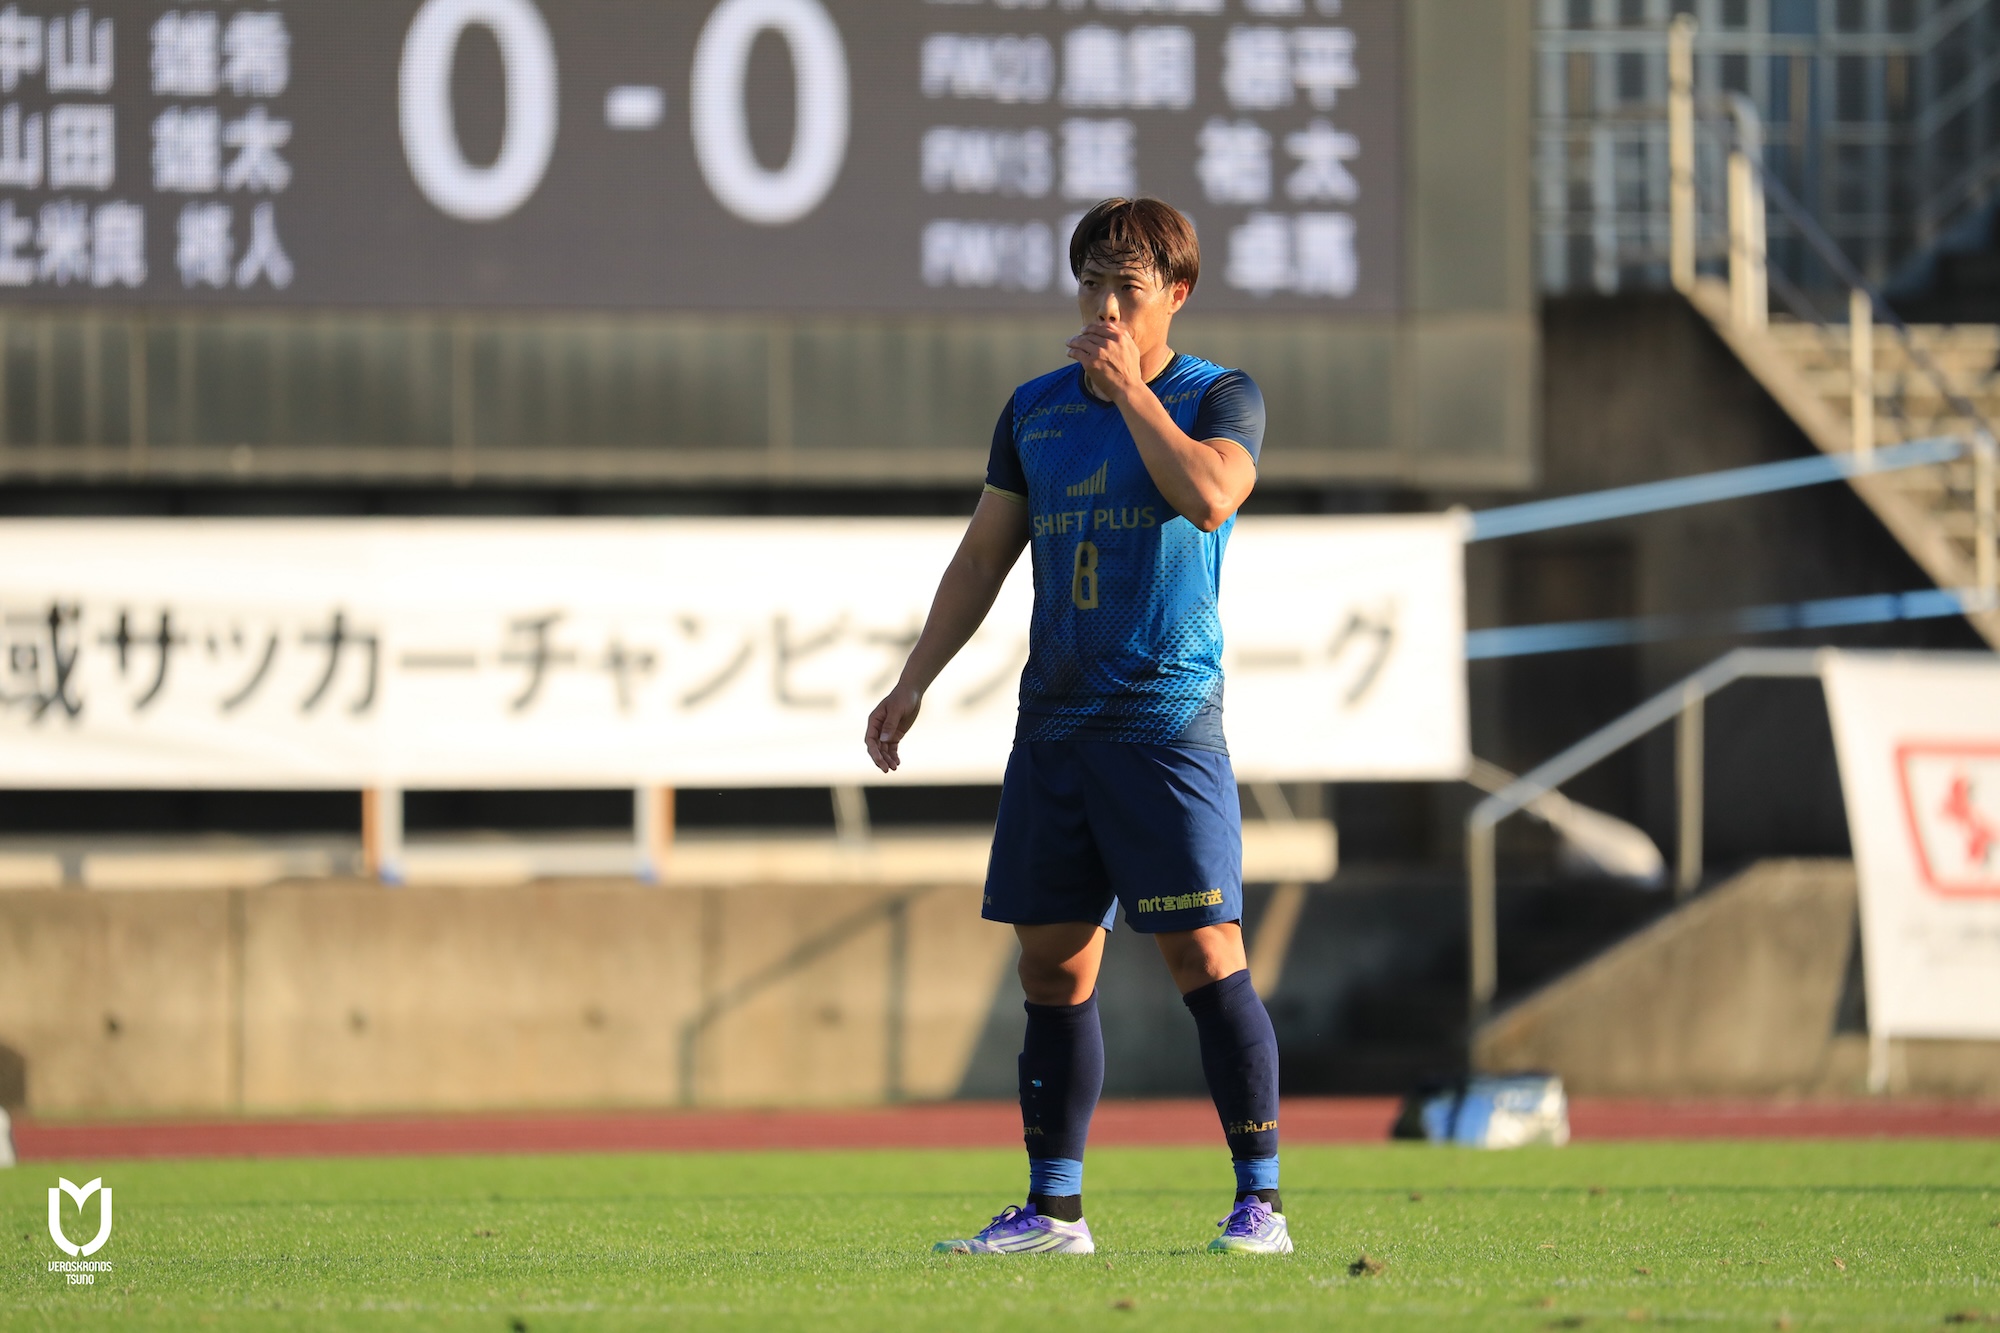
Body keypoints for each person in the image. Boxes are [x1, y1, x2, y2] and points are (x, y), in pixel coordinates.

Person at [864, 198, 1287, 1257]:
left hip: (1163, 724)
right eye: (1090, 284)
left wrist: (1134, 393)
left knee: (1205, 953)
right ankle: (1053, 1212)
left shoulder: (1217, 394)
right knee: (1051, 970)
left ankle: (1261, 1205)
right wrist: (913, 680)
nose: (1103, 307)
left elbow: (1211, 496)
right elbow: (982, 556)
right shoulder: (1033, 411)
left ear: (1175, 295)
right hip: (1053, 728)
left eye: (1126, 289)